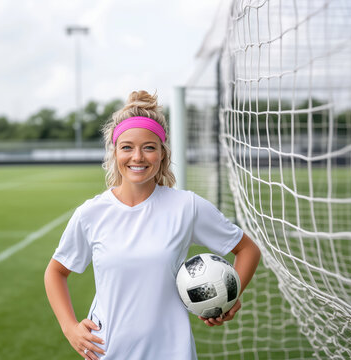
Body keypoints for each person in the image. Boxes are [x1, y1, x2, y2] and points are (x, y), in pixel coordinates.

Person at [44, 90, 261, 360]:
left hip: (172, 352)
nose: (138, 157)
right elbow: (55, 272)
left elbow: (248, 249)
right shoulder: (91, 213)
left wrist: (229, 295)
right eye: (127, 147)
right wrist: (70, 328)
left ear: (162, 154)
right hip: (108, 351)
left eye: (149, 147)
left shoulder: (186, 207)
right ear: (115, 153)